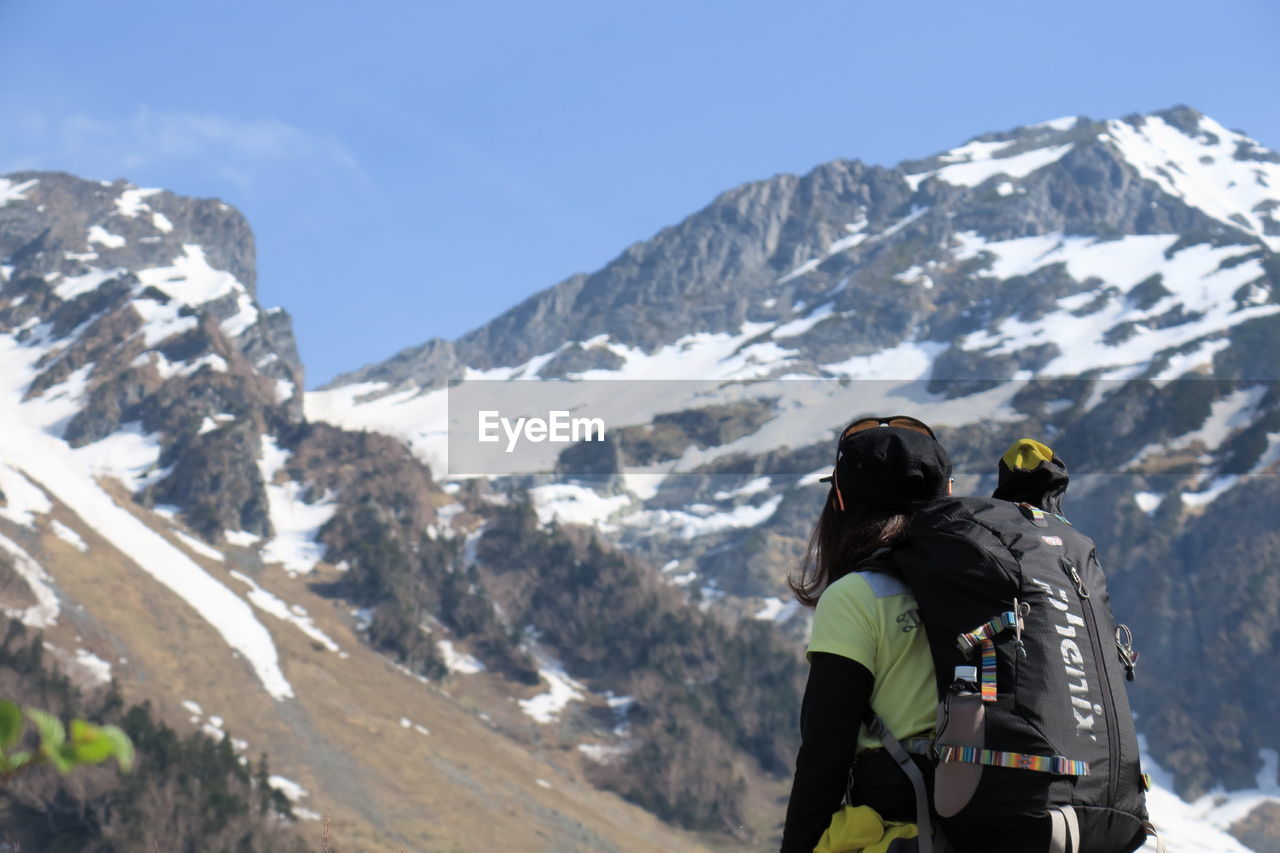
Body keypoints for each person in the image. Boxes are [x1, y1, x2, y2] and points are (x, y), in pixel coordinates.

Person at [780, 415, 952, 853]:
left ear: (839, 500)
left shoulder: (858, 596)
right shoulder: (990, 584)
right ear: (947, 495)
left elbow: (824, 758)